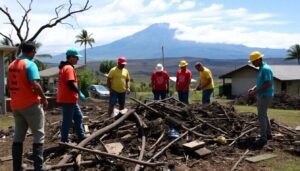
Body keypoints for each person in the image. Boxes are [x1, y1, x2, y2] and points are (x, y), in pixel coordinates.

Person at [8, 41, 48, 170]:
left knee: (18, 136)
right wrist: (44, 98)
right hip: (30, 104)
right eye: (34, 51)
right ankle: (39, 167)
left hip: (15, 105)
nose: (35, 54)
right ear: (31, 51)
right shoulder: (30, 65)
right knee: (39, 134)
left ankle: (17, 167)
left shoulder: (11, 65)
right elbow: (35, 84)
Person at [57, 48, 86, 143]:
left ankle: (81, 137)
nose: (77, 59)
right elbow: (70, 83)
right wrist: (79, 92)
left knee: (78, 117)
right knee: (67, 121)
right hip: (68, 99)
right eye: (76, 57)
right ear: (71, 57)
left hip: (70, 99)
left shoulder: (65, 67)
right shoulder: (69, 68)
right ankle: (64, 141)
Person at [247, 51, 274, 148]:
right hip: (262, 95)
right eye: (252, 61)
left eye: (254, 61)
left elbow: (268, 84)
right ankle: (268, 134)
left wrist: (255, 92)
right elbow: (261, 83)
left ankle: (263, 139)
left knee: (261, 116)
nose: (253, 63)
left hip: (265, 95)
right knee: (264, 115)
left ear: (260, 59)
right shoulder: (261, 68)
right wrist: (253, 88)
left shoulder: (266, 69)